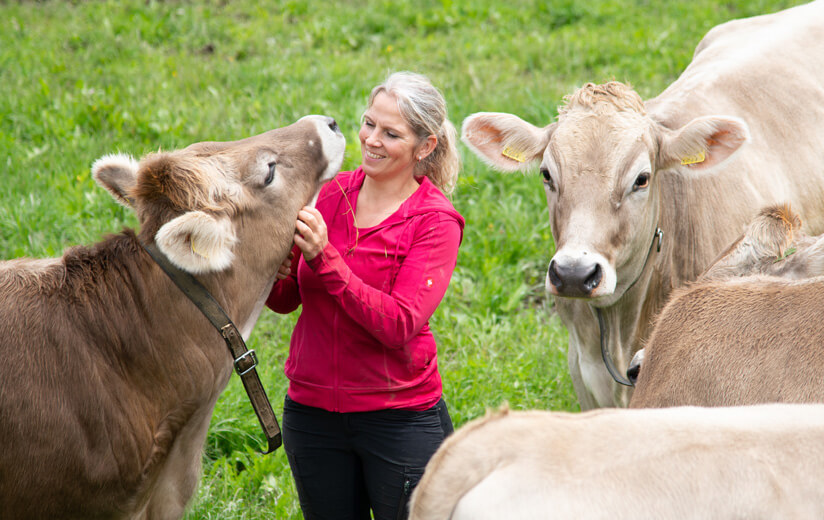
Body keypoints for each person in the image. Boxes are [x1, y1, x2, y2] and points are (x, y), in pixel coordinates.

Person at [265, 71, 464, 520]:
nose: (371, 139)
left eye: (391, 133)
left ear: (425, 146)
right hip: (312, 413)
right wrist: (274, 272)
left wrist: (322, 256)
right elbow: (287, 299)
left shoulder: (435, 222)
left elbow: (397, 325)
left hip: (397, 417)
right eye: (369, 123)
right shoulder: (330, 193)